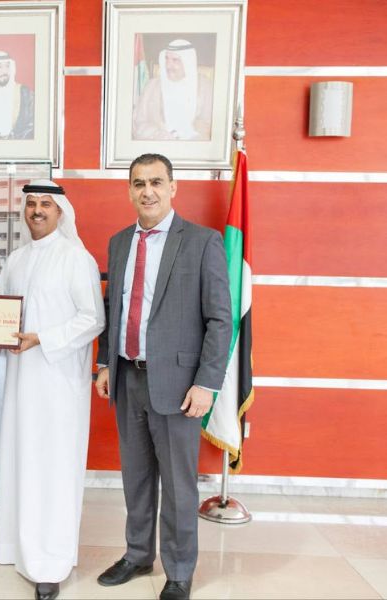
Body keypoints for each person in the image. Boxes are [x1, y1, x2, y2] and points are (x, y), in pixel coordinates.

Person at [0, 180, 104, 600]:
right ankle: (16, 548)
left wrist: (41, 339)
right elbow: (1, 313)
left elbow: (93, 319)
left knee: (51, 467)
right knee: (20, 460)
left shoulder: (76, 258)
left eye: (45, 205)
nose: (36, 211)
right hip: (20, 383)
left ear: (60, 212)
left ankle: (50, 562)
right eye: (31, 204)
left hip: (58, 385)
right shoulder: (16, 258)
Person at [94, 154, 231, 600]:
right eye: (138, 183)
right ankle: (137, 555)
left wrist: (206, 383)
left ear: (173, 188)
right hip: (128, 378)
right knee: (135, 476)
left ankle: (178, 570)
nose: (147, 191)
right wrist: (103, 363)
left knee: (177, 483)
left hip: (179, 385)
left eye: (156, 182)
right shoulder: (118, 242)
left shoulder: (202, 242)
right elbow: (113, 309)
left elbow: (220, 320)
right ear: (129, 190)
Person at [132, 39, 213, 141]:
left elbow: (212, 125)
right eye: (166, 59)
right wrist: (157, 134)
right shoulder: (152, 86)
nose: (168, 66)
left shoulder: (205, 87)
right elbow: (138, 123)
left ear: (188, 62)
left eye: (175, 60)